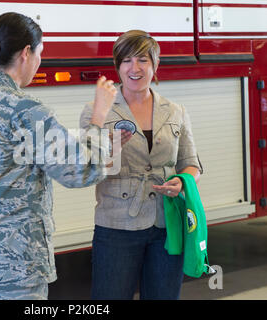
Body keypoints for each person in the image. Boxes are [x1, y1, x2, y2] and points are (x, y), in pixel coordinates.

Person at [0, 12, 129, 300]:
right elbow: (80, 171)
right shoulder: (26, 109)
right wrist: (98, 117)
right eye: (41, 52)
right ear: (26, 53)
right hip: (15, 266)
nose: (40, 60)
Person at [80, 30, 203, 300]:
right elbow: (86, 170)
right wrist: (112, 150)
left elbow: (191, 164)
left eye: (143, 60)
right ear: (117, 66)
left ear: (155, 65)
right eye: (126, 61)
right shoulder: (97, 111)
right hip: (116, 227)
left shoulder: (175, 110)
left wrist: (182, 181)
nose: (134, 68)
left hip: (166, 224)